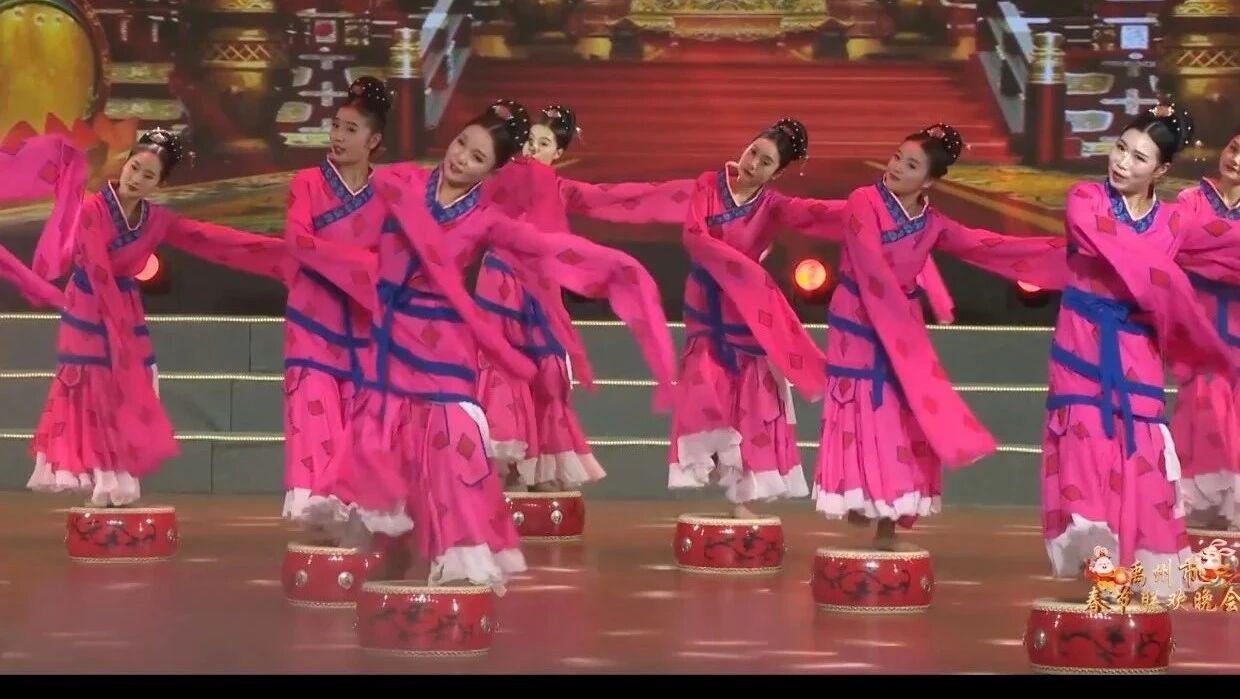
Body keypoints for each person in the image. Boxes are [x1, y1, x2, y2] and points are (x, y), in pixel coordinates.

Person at [305, 100, 677, 593]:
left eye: (477, 157)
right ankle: (396, 553)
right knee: (386, 451)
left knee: (452, 449)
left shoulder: (484, 220)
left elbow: (546, 247)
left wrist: (616, 268)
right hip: (389, 343)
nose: (460, 158)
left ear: (493, 171)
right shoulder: (402, 182)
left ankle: (455, 558)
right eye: (461, 143)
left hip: (444, 349)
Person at [811, 123, 1069, 550]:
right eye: (897, 157)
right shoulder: (863, 200)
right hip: (858, 319)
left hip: (901, 323)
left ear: (929, 181)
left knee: (900, 411)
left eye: (911, 165)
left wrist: (1066, 254)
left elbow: (987, 245)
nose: (896, 167)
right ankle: (858, 490)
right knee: (861, 403)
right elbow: (869, 263)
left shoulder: (931, 224)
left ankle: (889, 519)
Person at [18, 128, 287, 507]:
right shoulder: (92, 208)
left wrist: (280, 253)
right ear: (124, 163)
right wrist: (117, 333)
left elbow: (208, 238)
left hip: (125, 306)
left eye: (148, 175)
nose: (136, 178)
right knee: (94, 385)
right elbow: (98, 269)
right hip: (89, 305)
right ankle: (100, 477)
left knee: (129, 387)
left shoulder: (154, 219)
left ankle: (122, 477)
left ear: (159, 184)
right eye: (134, 168)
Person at [1040, 105, 1240, 599]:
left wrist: (1171, 281)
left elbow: (1226, 247)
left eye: (1139, 157)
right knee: (1084, 443)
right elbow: (1113, 247)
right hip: (1081, 346)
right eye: (1121, 148)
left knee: (1140, 457)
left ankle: (1131, 567)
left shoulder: (1173, 221)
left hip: (1138, 354)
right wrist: (1164, 274)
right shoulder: (1085, 199)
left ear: (1161, 170)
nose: (1122, 162)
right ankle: (1099, 565)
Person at [1169, 126, 1240, 532]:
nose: (1236, 160)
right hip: (1200, 327)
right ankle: (1200, 500)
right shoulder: (1190, 200)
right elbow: (1178, 250)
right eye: (1234, 148)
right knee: (1204, 406)